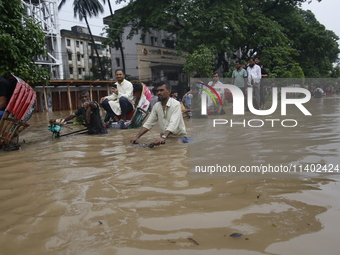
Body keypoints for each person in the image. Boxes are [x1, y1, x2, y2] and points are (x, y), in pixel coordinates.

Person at [130, 81, 188, 145]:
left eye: (161, 90)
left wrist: (163, 137)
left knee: (176, 145)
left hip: (179, 137)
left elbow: (173, 124)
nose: (159, 93)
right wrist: (136, 137)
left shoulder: (176, 104)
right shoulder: (156, 106)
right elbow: (149, 123)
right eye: (157, 91)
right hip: (165, 137)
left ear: (169, 91)